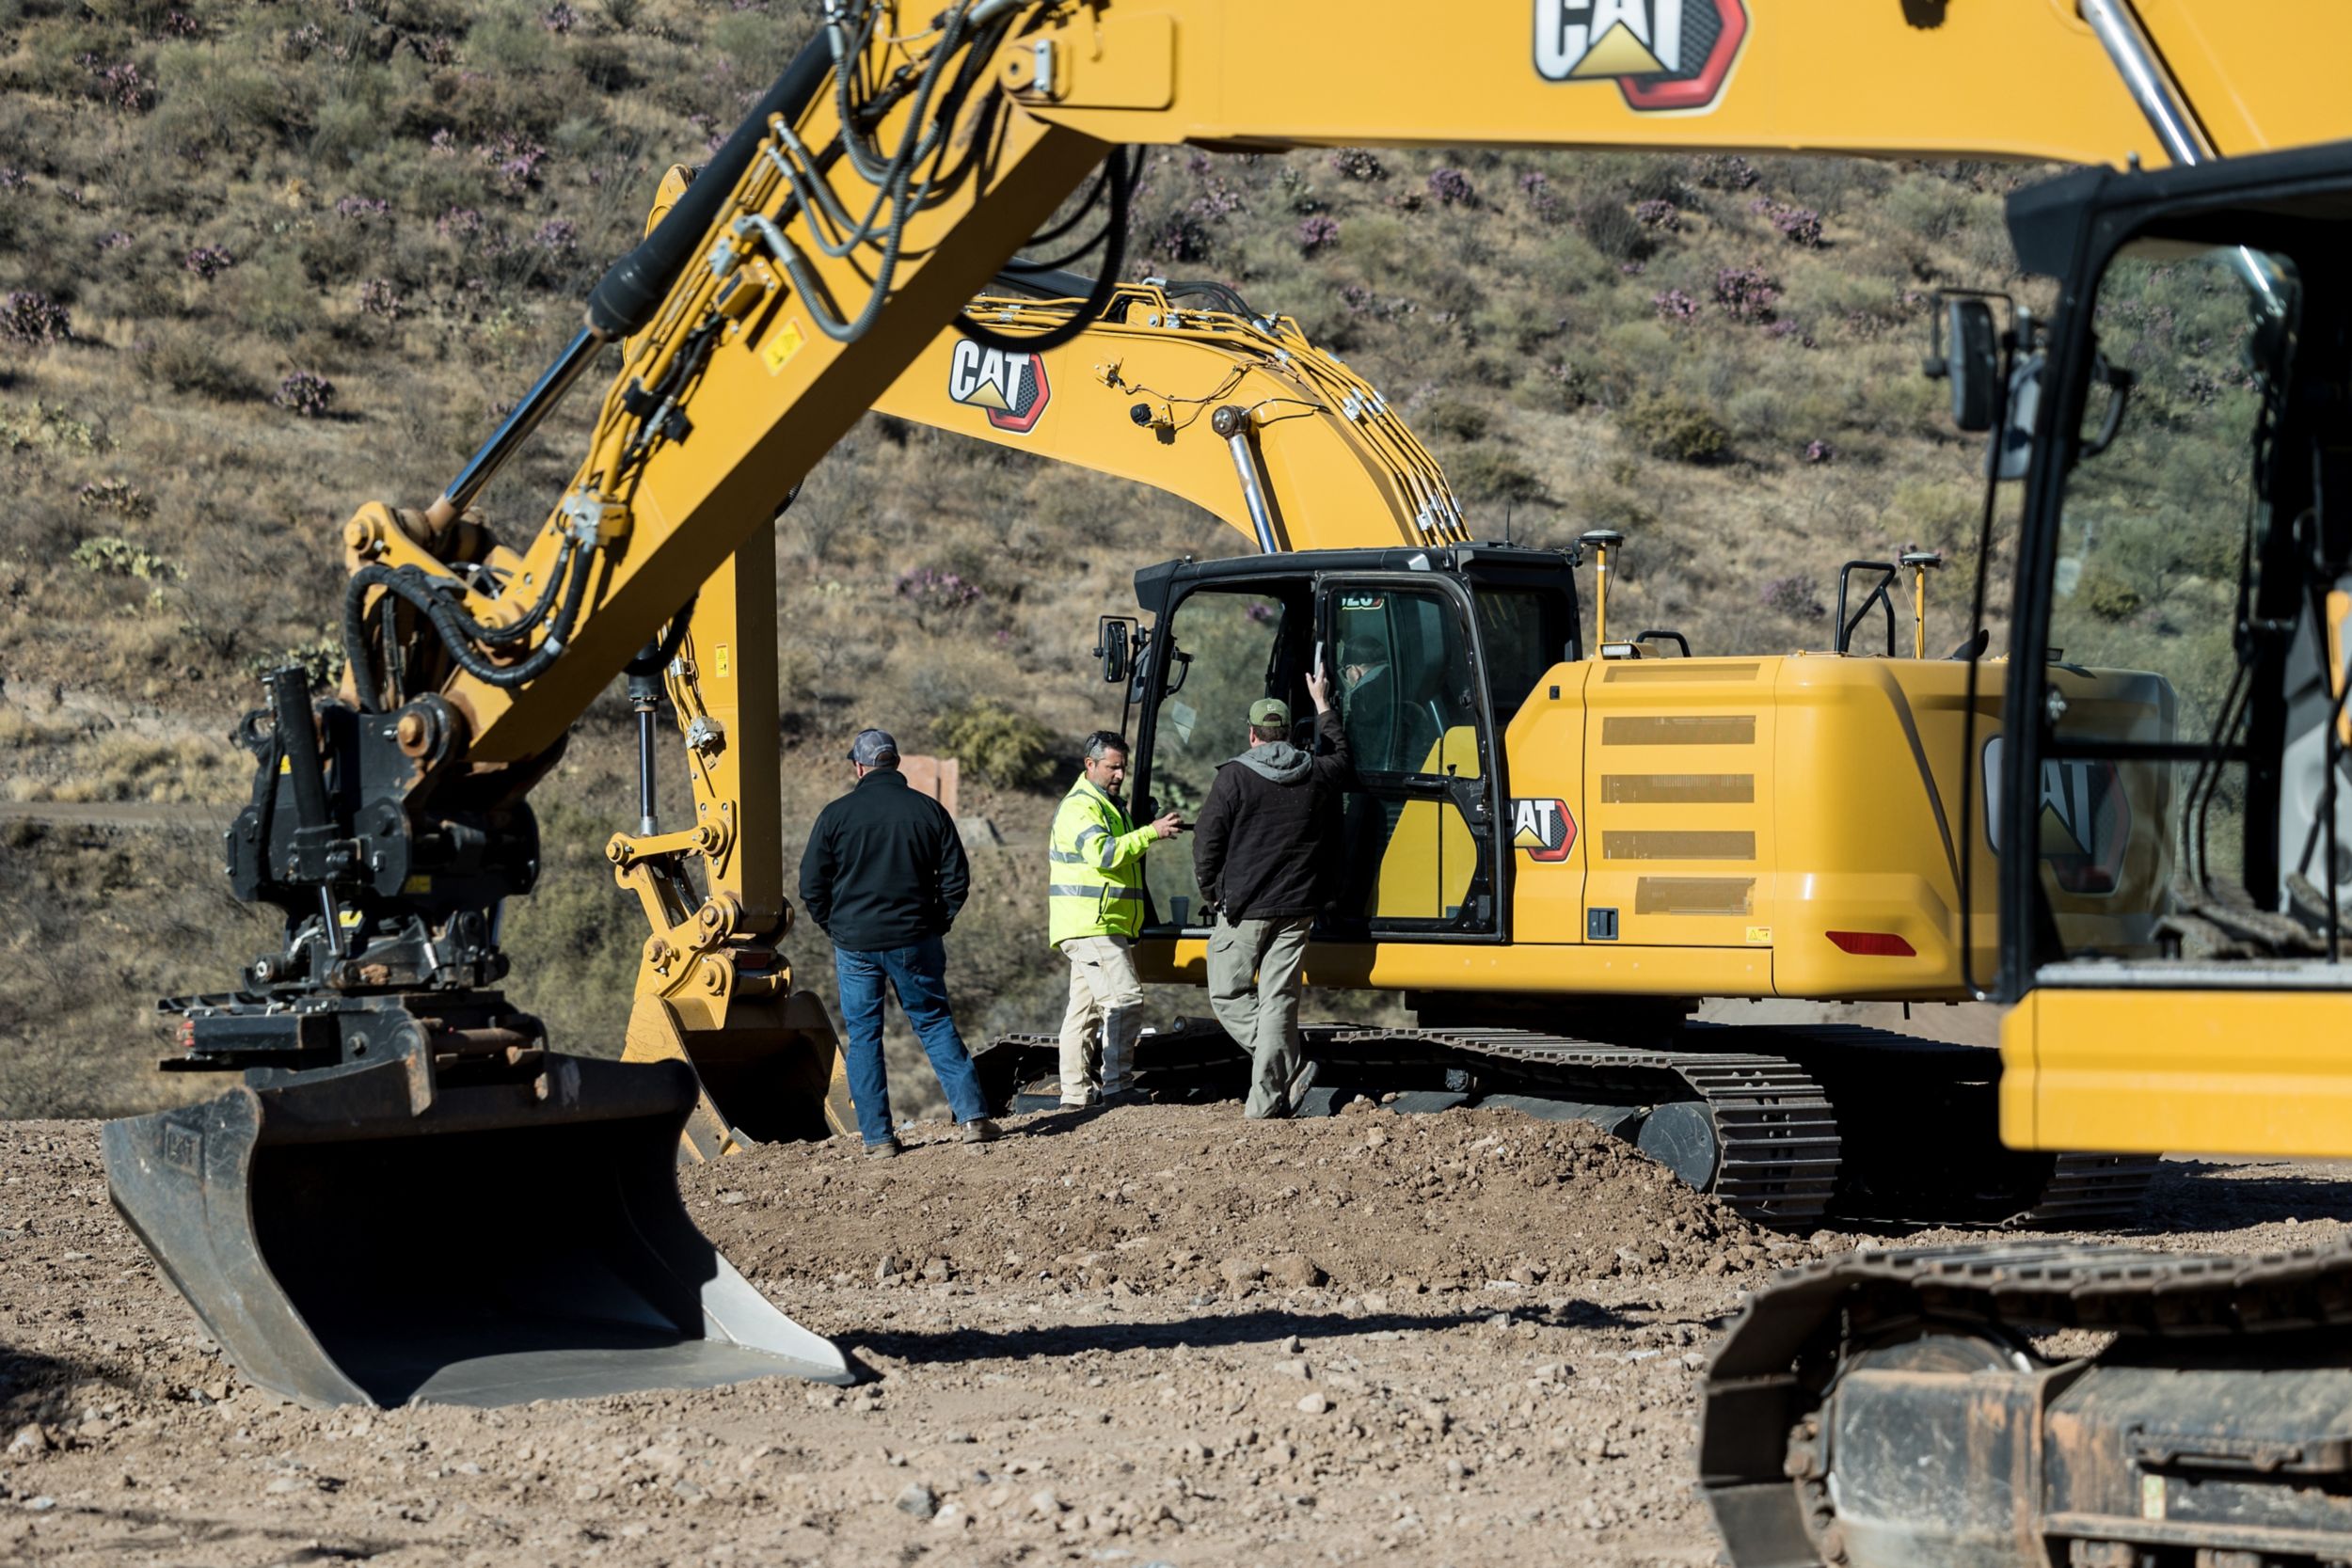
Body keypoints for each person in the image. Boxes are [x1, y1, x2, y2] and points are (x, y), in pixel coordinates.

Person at [798, 727, 998, 1157]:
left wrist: (836, 927)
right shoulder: (929, 811)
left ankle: (878, 1139)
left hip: (855, 943)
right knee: (933, 1021)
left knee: (865, 1035)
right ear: (897, 762)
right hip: (915, 939)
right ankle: (973, 1118)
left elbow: (811, 884)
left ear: (858, 766)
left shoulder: (835, 815)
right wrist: (935, 923)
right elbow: (956, 879)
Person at [1192, 670, 1351, 1117]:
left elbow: (1206, 843)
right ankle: (1264, 1105)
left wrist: (1213, 892)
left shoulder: (1234, 778)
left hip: (1245, 908)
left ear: (1252, 733)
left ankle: (1287, 1069)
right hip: (1299, 907)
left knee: (1227, 992)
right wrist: (1322, 705)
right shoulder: (1317, 773)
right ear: (1286, 733)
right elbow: (1342, 756)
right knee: (1279, 999)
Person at [1047, 732, 1182, 1108]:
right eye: (1113, 767)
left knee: (1084, 1012)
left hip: (1096, 923)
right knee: (1124, 999)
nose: (1120, 774)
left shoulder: (1107, 805)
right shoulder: (1081, 807)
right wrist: (1149, 833)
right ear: (1090, 765)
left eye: (1123, 766)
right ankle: (1118, 1085)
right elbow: (1104, 854)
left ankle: (1074, 1095)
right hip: (1094, 925)